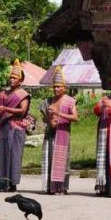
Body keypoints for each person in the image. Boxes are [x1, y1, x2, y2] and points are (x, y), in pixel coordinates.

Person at [0, 59, 31, 192]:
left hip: (16, 128)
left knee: (14, 155)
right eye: (11, 77)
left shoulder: (23, 94)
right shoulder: (3, 94)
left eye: (15, 78)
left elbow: (22, 111)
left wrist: (5, 109)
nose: (12, 80)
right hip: (3, 127)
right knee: (1, 154)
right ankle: (1, 182)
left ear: (20, 81)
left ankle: (12, 183)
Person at [40, 66, 78, 194]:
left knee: (62, 161)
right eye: (54, 87)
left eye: (59, 86)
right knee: (50, 159)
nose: (56, 89)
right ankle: (51, 187)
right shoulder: (47, 101)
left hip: (63, 134)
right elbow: (44, 119)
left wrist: (59, 114)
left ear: (64, 88)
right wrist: (49, 118)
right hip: (50, 134)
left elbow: (75, 117)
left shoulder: (69, 101)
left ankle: (62, 187)